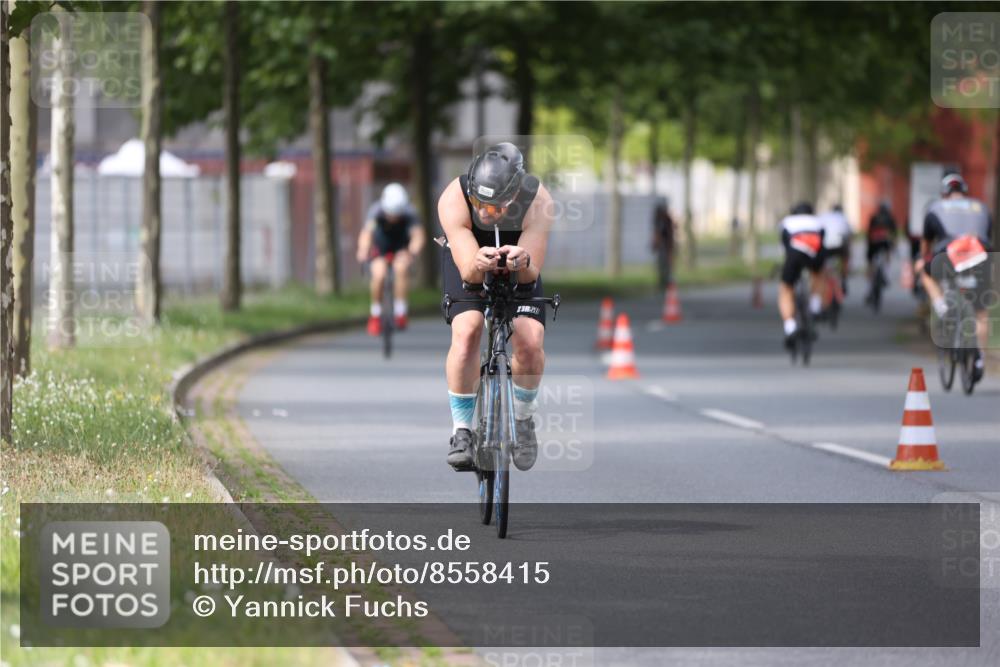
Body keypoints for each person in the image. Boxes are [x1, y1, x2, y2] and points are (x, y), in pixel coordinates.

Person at [437, 142, 553, 472]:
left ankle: (523, 420)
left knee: (529, 341)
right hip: (469, 258)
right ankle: (462, 431)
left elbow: (530, 273)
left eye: (497, 207)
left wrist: (523, 259)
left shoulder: (538, 200)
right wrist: (477, 262)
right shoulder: (454, 198)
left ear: (515, 195)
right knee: (468, 330)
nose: (486, 213)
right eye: (480, 204)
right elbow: (469, 274)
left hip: (520, 257)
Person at [917, 172, 994, 381]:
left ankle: (942, 306)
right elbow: (987, 235)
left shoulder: (935, 208)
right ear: (965, 192)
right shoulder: (981, 207)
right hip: (979, 254)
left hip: (948, 254)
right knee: (981, 313)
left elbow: (925, 246)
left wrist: (922, 259)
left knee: (925, 272)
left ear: (944, 194)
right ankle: (979, 357)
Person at [356, 183, 425, 336]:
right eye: (390, 215)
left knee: (401, 269)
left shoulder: (410, 212)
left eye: (396, 215)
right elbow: (366, 234)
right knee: (379, 275)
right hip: (380, 248)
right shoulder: (376, 211)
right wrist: (362, 251)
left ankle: (401, 311)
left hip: (400, 247)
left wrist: (411, 254)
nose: (393, 218)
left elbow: (418, 237)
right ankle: (375, 314)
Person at [778, 202, 826, 349]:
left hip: (794, 253)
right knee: (818, 275)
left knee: (786, 289)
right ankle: (815, 306)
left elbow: (785, 247)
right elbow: (822, 241)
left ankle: (790, 327)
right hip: (815, 252)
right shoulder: (818, 222)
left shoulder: (787, 222)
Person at [865, 201, 898, 301]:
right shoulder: (890, 218)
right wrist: (894, 246)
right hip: (885, 243)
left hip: (873, 243)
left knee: (870, 263)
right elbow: (894, 234)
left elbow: (869, 232)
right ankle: (886, 275)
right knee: (887, 256)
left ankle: (869, 283)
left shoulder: (874, 217)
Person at [819, 204, 852, 295]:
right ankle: (844, 278)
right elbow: (849, 235)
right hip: (840, 244)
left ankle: (823, 280)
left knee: (822, 264)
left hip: (826, 245)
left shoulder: (825, 216)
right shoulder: (843, 217)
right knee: (845, 258)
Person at [651, 197, 676, 288]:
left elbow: (665, 233)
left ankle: (667, 281)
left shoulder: (666, 220)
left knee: (666, 263)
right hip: (663, 245)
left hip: (667, 244)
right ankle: (664, 281)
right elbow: (657, 234)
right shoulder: (659, 220)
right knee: (662, 264)